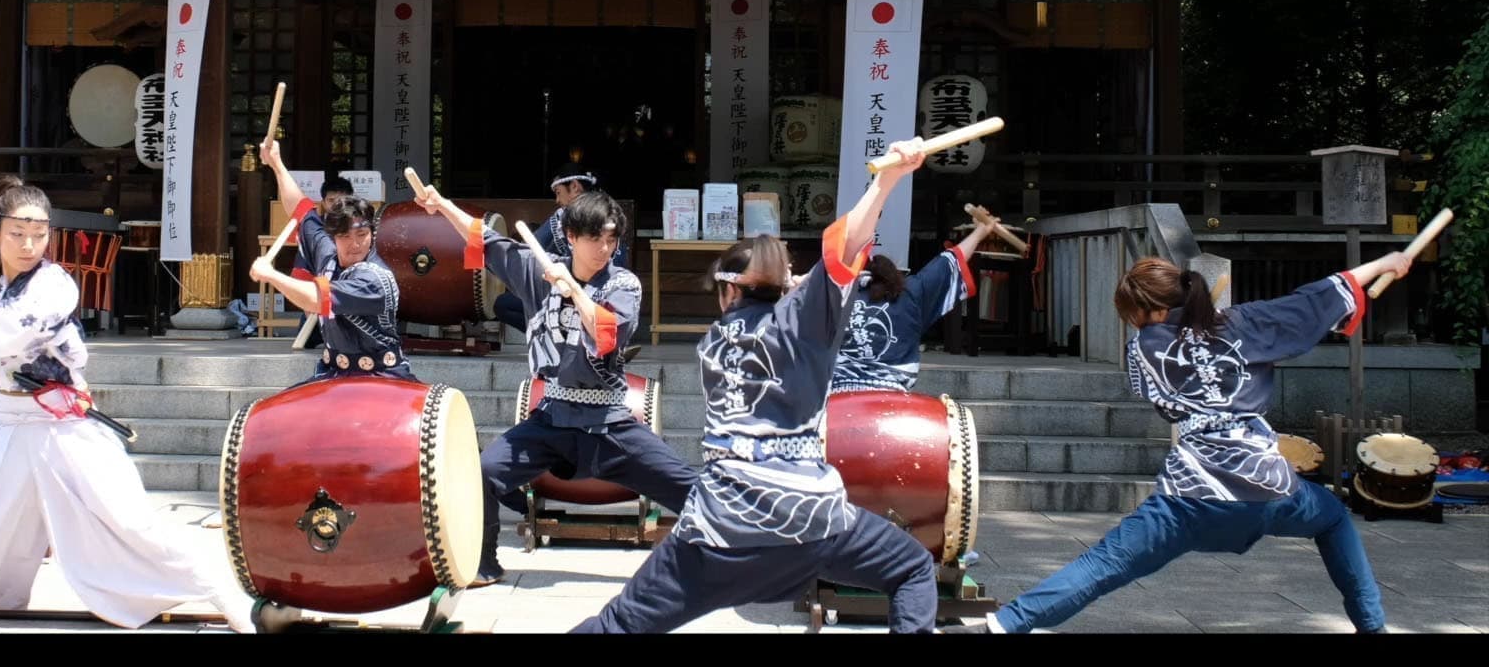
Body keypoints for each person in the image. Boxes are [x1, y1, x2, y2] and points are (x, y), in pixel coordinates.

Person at [0, 152, 254, 633]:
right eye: (17, 234)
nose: (28, 245)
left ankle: (216, 592)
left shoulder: (54, 283)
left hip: (58, 420)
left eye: (39, 234)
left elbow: (18, 327)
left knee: (124, 519)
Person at [570, 140, 939, 634]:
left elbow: (785, 299)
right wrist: (887, 179)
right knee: (912, 569)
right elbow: (846, 245)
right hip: (809, 523)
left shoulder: (712, 343)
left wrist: (796, 288)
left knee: (616, 623)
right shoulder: (803, 322)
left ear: (726, 293)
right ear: (783, 287)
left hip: (719, 528)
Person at [949, 253, 1410, 635]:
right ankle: (1372, 626)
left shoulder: (1142, 348)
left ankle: (1007, 624)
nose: (1131, 325)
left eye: (1131, 316)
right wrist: (1386, 262)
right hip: (1268, 491)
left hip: (1190, 499)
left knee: (1102, 565)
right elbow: (1314, 297)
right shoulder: (1245, 322)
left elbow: (1169, 409)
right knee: (1332, 518)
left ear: (1148, 311)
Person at [415, 183, 696, 587]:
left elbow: (607, 334)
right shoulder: (538, 272)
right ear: (571, 236)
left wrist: (574, 290)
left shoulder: (623, 284)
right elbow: (485, 238)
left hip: (608, 422)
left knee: (690, 488)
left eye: (612, 239)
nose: (605, 248)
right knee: (485, 472)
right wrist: (442, 205)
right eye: (595, 238)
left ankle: (726, 559)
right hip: (551, 417)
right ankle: (483, 562)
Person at [250, 139, 412, 386]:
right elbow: (301, 211)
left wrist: (271, 275)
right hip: (334, 374)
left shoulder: (374, 279)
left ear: (372, 233)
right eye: (345, 236)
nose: (355, 244)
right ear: (333, 237)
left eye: (362, 234)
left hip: (380, 378)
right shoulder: (328, 254)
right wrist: (277, 163)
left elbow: (317, 299)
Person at [829, 209, 1007, 393]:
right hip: (893, 396)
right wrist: (981, 231)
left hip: (836, 397)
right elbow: (949, 262)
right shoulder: (909, 291)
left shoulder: (830, 295)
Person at [492, 164, 632, 337]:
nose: (557, 200)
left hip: (580, 298)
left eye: (558, 192)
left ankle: (554, 339)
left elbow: (531, 248)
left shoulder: (564, 217)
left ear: (574, 186)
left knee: (503, 304)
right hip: (607, 298)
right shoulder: (609, 210)